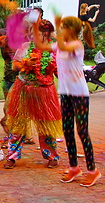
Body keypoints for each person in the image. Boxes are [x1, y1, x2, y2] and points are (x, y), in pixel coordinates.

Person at [34, 16, 101, 187]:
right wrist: (35, 26)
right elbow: (41, 46)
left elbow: (63, 45)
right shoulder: (60, 46)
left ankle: (93, 171)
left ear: (70, 31)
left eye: (63, 27)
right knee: (68, 131)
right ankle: (74, 167)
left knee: (82, 131)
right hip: (65, 93)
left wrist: (55, 25)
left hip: (79, 94)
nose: (59, 30)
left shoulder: (76, 46)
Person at [4, 19, 62, 169]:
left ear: (48, 35)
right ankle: (11, 156)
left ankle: (51, 155)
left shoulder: (54, 50)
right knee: (18, 124)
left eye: (43, 33)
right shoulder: (25, 47)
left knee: (46, 126)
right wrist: (25, 64)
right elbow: (14, 66)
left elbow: (58, 72)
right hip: (24, 89)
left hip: (45, 91)